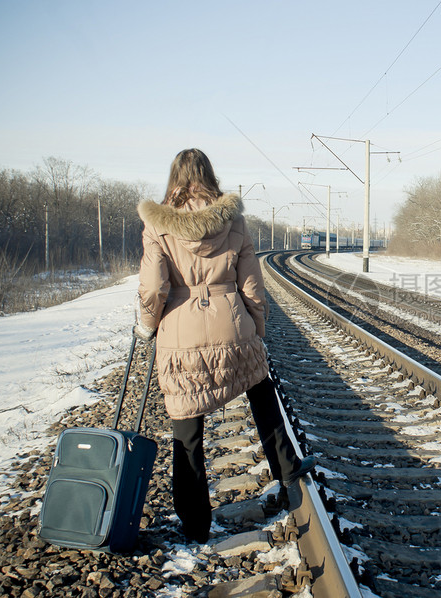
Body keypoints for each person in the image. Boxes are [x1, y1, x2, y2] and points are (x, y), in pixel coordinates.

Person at [134, 148, 315, 543]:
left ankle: (196, 524)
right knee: (262, 394)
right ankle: (287, 470)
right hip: (232, 325)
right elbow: (252, 282)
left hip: (181, 335)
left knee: (187, 432)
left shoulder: (157, 225)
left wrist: (147, 325)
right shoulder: (232, 219)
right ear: (209, 175)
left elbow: (153, 286)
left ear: (174, 178)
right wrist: (257, 325)